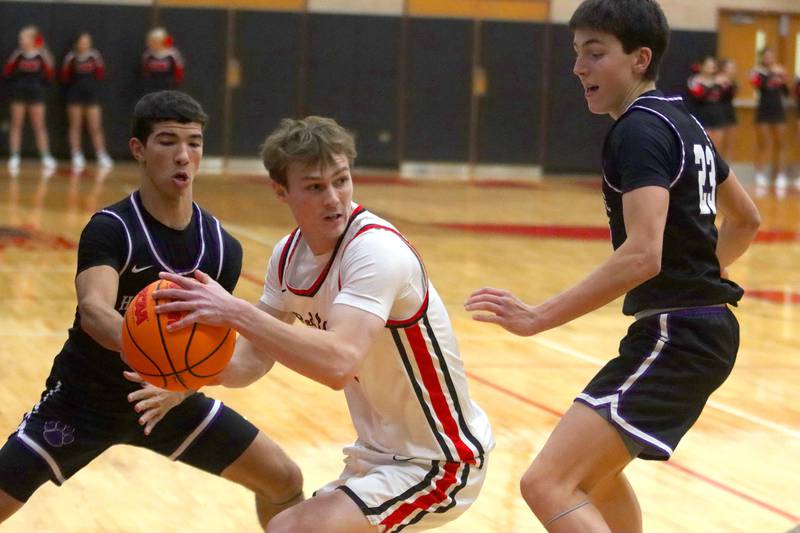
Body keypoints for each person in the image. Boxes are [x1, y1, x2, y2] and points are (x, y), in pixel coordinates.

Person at [465, 1, 761, 531]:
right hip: (695, 328)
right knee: (594, 479)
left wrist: (539, 316)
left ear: (640, 58)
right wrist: (694, 272)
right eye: (577, 53)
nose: (579, 67)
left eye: (595, 53)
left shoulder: (638, 131)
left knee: (546, 484)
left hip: (679, 333)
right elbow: (748, 220)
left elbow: (642, 255)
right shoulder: (683, 121)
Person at [153, 116, 494, 533]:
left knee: (290, 528)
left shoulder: (375, 250)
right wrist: (180, 373)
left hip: (440, 458)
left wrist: (233, 311)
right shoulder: (288, 255)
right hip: (377, 455)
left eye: (342, 180)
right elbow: (252, 361)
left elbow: (337, 364)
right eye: (315, 187)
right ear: (281, 191)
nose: (334, 198)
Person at [0, 91, 303, 528]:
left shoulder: (221, 248)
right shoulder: (113, 229)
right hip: (84, 401)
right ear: (139, 150)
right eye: (167, 141)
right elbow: (94, 311)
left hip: (166, 403)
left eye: (194, 142)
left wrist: (177, 385)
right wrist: (156, 360)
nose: (183, 155)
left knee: (284, 480)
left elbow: (212, 345)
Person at [2, 26, 56, 172]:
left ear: (32, 40)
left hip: (36, 93)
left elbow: (50, 75)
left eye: (23, 38)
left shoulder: (42, 55)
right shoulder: (17, 54)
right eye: (20, 38)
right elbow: (7, 72)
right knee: (16, 124)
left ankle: (45, 156)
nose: (20, 40)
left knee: (39, 125)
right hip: (19, 93)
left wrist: (38, 85)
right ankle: (14, 156)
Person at [60, 32, 113, 170]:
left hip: (91, 95)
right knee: (75, 125)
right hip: (74, 95)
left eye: (87, 41)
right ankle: (76, 154)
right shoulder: (71, 57)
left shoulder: (94, 56)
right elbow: (64, 76)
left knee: (95, 126)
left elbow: (101, 74)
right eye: (82, 41)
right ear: (77, 43)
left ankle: (101, 154)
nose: (85, 44)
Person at [749, 47, 789, 191]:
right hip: (763, 110)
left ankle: (780, 175)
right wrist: (773, 74)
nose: (769, 59)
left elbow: (786, 91)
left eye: (771, 56)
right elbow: (758, 85)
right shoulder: (757, 71)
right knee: (763, 143)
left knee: (781, 143)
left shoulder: (780, 71)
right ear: (762, 58)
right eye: (766, 56)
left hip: (778, 110)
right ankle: (759, 174)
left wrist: (783, 77)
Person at [687, 56, 724, 146]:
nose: (711, 68)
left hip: (716, 112)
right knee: (705, 143)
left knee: (717, 145)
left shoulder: (719, 80)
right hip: (701, 112)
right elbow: (699, 96)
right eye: (708, 66)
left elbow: (725, 97)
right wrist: (713, 85)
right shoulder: (694, 80)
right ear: (701, 66)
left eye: (713, 66)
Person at [140, 27, 184, 95]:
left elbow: (178, 70)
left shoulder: (172, 54)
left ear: (163, 41)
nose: (153, 43)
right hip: (152, 86)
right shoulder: (148, 55)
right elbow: (145, 71)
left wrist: (176, 82)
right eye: (151, 41)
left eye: (156, 41)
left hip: (168, 85)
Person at [716, 58, 738, 160]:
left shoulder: (733, 82)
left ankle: (728, 165)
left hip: (730, 110)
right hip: (719, 110)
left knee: (730, 142)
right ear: (723, 69)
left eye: (733, 68)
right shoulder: (717, 80)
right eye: (730, 67)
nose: (732, 70)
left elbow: (733, 95)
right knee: (719, 142)